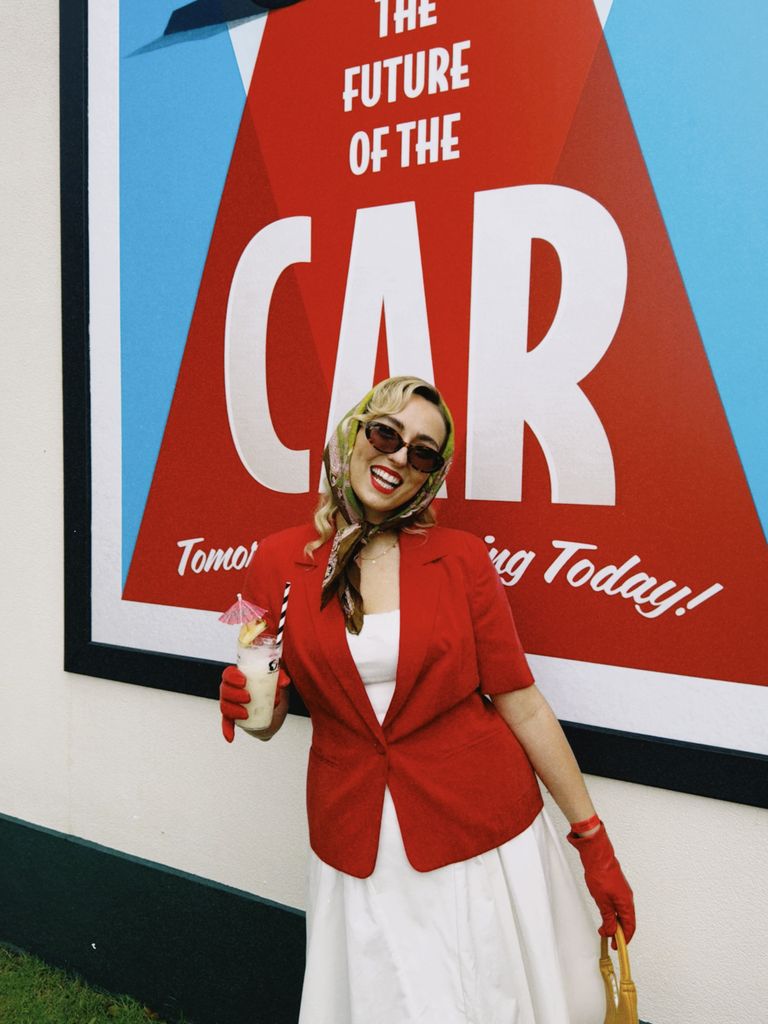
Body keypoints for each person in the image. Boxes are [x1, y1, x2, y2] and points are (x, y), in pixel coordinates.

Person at [219, 375, 635, 1024]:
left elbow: (521, 702)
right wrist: (248, 704)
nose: (397, 458)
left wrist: (592, 840)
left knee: (494, 1001)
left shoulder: (462, 560)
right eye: (386, 433)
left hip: (481, 836)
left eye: (422, 452)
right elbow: (266, 711)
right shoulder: (275, 562)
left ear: (431, 476)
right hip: (357, 843)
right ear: (354, 432)